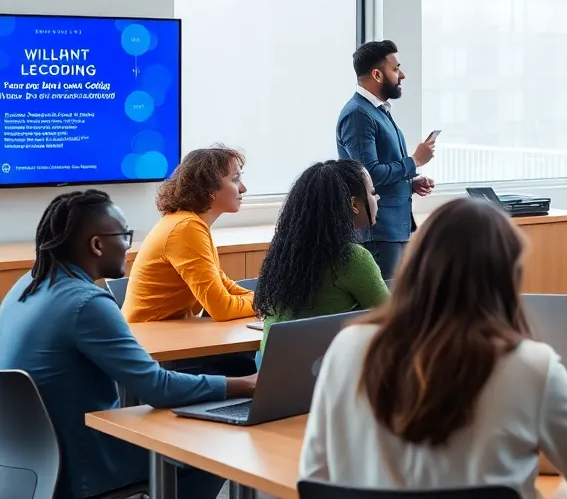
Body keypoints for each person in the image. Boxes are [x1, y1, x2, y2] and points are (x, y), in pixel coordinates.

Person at [299, 198, 567, 499]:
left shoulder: (347, 347)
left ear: (415, 266)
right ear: (507, 278)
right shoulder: (529, 365)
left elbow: (314, 477)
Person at [0, 190, 256, 499]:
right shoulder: (87, 304)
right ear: (97, 245)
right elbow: (158, 388)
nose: (129, 245)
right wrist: (246, 385)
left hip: (20, 463)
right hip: (81, 463)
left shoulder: (26, 284)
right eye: (124, 235)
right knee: (211, 444)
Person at [253, 159, 390, 358]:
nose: (376, 199)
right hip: (315, 376)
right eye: (372, 193)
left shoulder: (284, 252)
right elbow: (393, 321)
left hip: (269, 373)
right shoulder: (351, 258)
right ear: (354, 204)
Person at [338, 39, 437, 279]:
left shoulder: (378, 111)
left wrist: (409, 183)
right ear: (377, 74)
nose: (401, 75)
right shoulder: (358, 115)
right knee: (384, 307)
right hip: (378, 229)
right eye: (395, 69)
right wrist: (414, 161)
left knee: (398, 301)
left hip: (395, 228)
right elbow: (369, 174)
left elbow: (381, 169)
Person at [123, 145, 256, 324]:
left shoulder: (189, 223)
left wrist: (264, 299)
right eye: (235, 179)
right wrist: (264, 302)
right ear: (209, 188)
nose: (243, 189)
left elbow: (224, 287)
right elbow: (222, 308)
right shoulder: (186, 228)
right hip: (149, 343)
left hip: (163, 335)